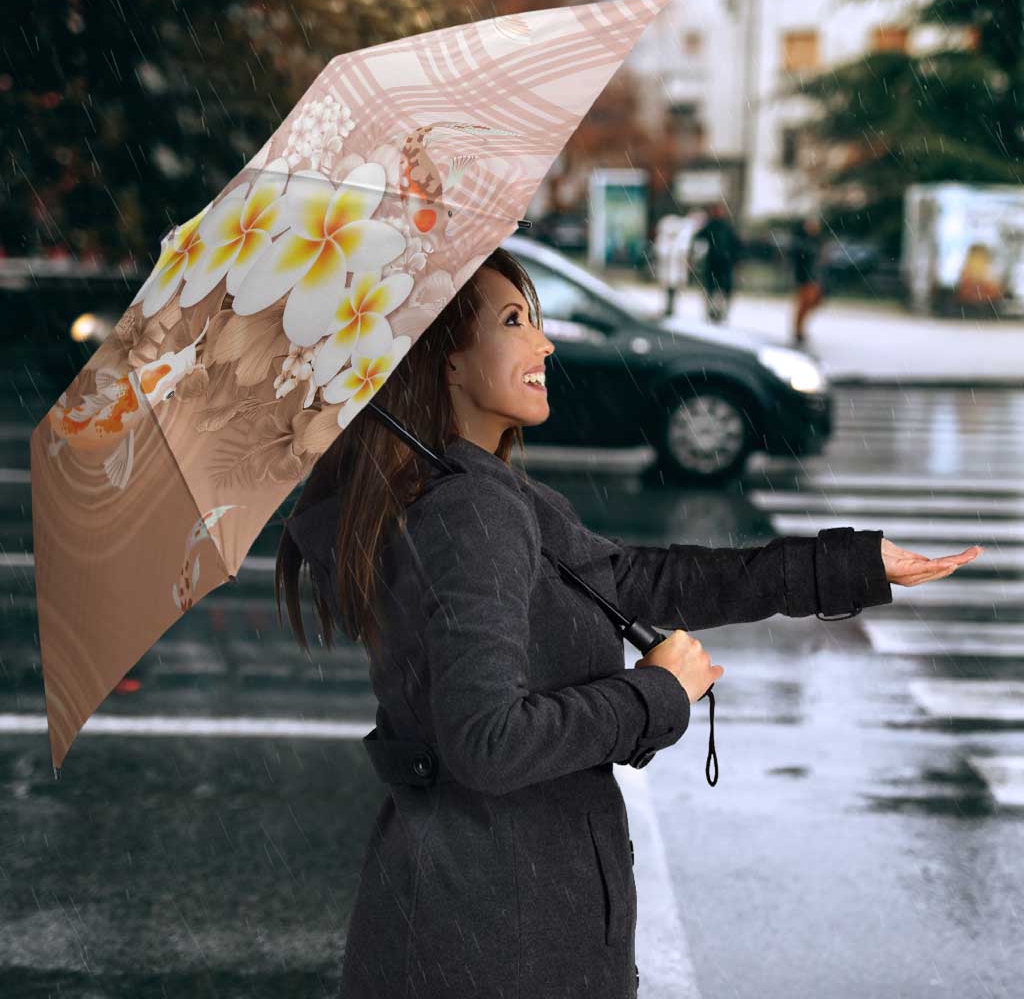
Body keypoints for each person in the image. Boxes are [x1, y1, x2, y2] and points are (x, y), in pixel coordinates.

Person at [276, 246, 973, 999]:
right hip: (498, 938)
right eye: (514, 321)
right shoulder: (469, 511)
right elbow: (487, 743)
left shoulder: (474, 492)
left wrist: (850, 566)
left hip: (477, 918)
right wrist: (656, 694)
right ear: (444, 360)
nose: (544, 343)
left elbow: (640, 580)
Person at [692, 201, 742, 324]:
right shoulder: (712, 226)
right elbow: (698, 239)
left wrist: (735, 259)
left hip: (723, 263)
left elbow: (736, 245)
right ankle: (713, 312)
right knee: (713, 289)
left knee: (720, 290)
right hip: (715, 263)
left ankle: (719, 312)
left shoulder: (725, 227)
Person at [790, 214, 826, 345]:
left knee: (812, 303)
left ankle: (799, 329)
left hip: (814, 278)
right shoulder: (802, 242)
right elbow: (799, 261)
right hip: (805, 278)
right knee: (804, 304)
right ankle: (798, 330)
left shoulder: (817, 241)